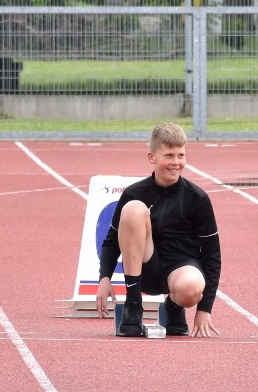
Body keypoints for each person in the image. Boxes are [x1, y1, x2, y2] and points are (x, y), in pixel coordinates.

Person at [95, 123, 222, 337]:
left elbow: (212, 255)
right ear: (151, 157)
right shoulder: (134, 193)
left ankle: (173, 308)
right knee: (134, 208)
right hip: (145, 267)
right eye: (169, 155)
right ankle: (133, 306)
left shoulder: (198, 198)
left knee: (192, 287)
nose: (176, 162)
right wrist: (104, 278)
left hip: (180, 268)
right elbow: (111, 241)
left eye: (181, 155)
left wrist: (204, 308)